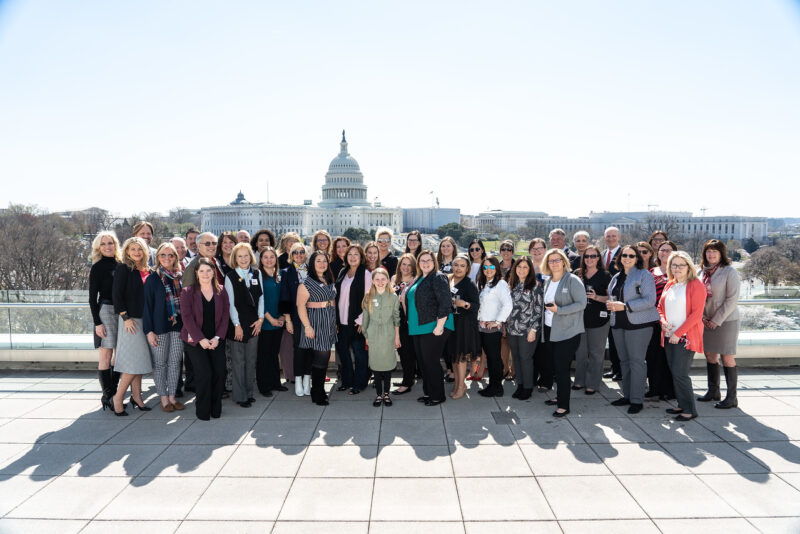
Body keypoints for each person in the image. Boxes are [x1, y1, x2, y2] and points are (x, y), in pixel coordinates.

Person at [606, 245, 660, 414]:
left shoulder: (644, 275)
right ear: (620, 258)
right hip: (619, 323)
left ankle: (637, 400)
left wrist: (626, 306)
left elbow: (650, 300)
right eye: (624, 255)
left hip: (639, 324)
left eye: (631, 255)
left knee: (636, 361)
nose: (627, 258)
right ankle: (627, 395)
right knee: (624, 361)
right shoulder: (616, 277)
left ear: (637, 258)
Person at [658, 251, 707, 421]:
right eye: (674, 265)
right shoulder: (670, 284)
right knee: (674, 372)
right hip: (669, 335)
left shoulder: (695, 285)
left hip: (685, 337)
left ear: (689, 267)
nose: (677, 268)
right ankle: (681, 404)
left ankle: (690, 409)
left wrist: (679, 333)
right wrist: (663, 322)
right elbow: (660, 308)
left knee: (680, 373)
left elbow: (696, 314)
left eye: (681, 265)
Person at [180, 258, 230, 420]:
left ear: (213, 272)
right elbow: (187, 318)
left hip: (216, 339)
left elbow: (225, 316)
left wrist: (217, 337)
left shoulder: (221, 290)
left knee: (219, 373)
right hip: (195, 341)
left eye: (209, 270)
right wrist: (200, 339)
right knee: (204, 374)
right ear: (196, 273)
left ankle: (216, 410)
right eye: (201, 271)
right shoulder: (187, 291)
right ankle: (203, 411)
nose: (205, 274)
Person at [539, 249, 586, 417]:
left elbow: (582, 303)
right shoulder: (547, 281)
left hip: (568, 332)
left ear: (564, 261)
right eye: (551, 260)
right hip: (550, 329)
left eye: (557, 260)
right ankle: (559, 396)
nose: (554, 263)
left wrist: (560, 310)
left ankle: (564, 405)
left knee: (562, 368)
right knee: (554, 366)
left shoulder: (572, 280)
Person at [111, 237, 153, 416]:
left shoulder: (146, 270)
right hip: (130, 321)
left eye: (140, 249)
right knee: (131, 364)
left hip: (144, 319)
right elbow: (117, 296)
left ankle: (137, 397)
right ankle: (118, 398)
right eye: (133, 249)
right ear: (127, 251)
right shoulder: (123, 269)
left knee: (139, 362)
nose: (136, 252)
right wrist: (125, 317)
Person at [697, 239, 741, 409]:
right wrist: (702, 317)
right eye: (708, 251)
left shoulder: (729, 271)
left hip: (726, 320)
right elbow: (696, 296)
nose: (711, 254)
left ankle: (732, 398)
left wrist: (716, 320)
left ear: (721, 253)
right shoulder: (700, 272)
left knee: (726, 356)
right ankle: (713, 391)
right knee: (710, 355)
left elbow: (732, 300)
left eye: (715, 251)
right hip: (705, 320)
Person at [407, 250, 454, 406]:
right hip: (418, 326)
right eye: (422, 260)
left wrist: (440, 326)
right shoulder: (420, 278)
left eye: (429, 260)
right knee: (423, 362)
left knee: (431, 361)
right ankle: (429, 393)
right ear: (418, 263)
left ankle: (438, 396)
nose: (425, 263)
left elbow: (446, 302)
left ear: (434, 262)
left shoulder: (438, 277)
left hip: (434, 326)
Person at [143, 243, 186, 412]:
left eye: (171, 255)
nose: (167, 258)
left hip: (178, 327)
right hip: (158, 327)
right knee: (160, 364)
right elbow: (146, 307)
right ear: (158, 258)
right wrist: (149, 331)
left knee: (175, 363)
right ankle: (163, 399)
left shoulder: (179, 277)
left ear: (175, 257)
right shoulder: (152, 279)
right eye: (163, 255)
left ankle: (172, 397)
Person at [224, 243, 265, 408]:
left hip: (254, 323)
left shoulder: (257, 273)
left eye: (246, 255)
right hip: (238, 324)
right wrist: (236, 325)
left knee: (250, 360)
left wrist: (261, 319)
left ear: (251, 257)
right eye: (239, 256)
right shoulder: (230, 276)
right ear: (235, 258)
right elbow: (230, 304)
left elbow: (261, 298)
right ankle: (240, 396)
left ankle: (249, 392)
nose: (243, 259)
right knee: (238, 361)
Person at [297, 251, 338, 406]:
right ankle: (317, 392)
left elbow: (332, 301)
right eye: (318, 261)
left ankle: (319, 390)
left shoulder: (328, 279)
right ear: (312, 264)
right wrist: (307, 326)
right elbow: (300, 306)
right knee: (321, 358)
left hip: (328, 323)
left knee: (324, 358)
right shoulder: (306, 283)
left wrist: (334, 323)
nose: (322, 264)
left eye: (325, 261)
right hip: (315, 323)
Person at [89, 231, 122, 411]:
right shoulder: (97, 267)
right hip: (106, 311)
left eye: (110, 243)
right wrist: (97, 323)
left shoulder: (121, 264)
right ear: (98, 248)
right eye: (103, 244)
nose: (107, 246)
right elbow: (92, 298)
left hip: (122, 313)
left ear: (116, 245)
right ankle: (107, 395)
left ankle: (115, 393)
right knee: (106, 355)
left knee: (119, 356)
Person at [573, 245, 611, 395]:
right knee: (580, 352)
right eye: (587, 256)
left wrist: (596, 297)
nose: (590, 259)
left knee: (596, 353)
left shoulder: (605, 275)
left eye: (593, 256)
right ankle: (580, 381)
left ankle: (593, 383)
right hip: (580, 319)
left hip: (599, 320)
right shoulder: (577, 274)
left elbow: (611, 298)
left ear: (598, 258)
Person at [334, 244, 372, 395]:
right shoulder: (343, 272)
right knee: (343, 353)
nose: (353, 257)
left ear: (361, 257)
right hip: (341, 321)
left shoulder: (366, 274)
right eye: (350, 254)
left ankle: (360, 383)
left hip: (357, 321)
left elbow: (369, 299)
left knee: (359, 354)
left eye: (356, 254)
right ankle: (347, 381)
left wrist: (362, 320)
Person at [361, 268, 401, 407]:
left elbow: (396, 318)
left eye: (383, 279)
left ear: (388, 280)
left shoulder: (393, 297)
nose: (380, 282)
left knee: (388, 366)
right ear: (372, 281)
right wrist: (366, 335)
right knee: (376, 367)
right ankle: (379, 394)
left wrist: (397, 337)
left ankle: (386, 394)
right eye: (377, 279)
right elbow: (365, 318)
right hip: (373, 334)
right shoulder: (368, 297)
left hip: (388, 333)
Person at [645, 240, 679, 400]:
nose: (664, 253)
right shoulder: (652, 271)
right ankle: (654, 388)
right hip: (653, 318)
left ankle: (669, 390)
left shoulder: (677, 271)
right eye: (662, 250)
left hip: (671, 320)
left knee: (669, 356)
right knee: (653, 355)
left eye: (668, 250)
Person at [505, 256, 542, 400]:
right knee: (516, 358)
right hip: (512, 329)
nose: (521, 270)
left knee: (525, 358)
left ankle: (527, 387)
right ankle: (519, 385)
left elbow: (539, 311)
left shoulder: (535, 287)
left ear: (530, 270)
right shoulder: (511, 285)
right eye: (519, 267)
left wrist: (533, 329)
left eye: (525, 267)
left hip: (528, 330)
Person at [476, 255, 513, 397]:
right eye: (485, 267)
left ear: (497, 268)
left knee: (494, 358)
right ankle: (493, 385)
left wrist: (498, 322)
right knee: (491, 358)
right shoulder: (485, 283)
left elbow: (508, 305)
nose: (488, 269)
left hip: (492, 328)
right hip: (482, 327)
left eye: (491, 266)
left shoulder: (500, 284)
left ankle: (496, 387)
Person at [446, 255, 481, 399]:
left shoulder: (469, 283)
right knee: (453, 357)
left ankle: (461, 386)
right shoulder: (448, 280)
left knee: (460, 357)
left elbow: (476, 305)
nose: (458, 268)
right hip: (450, 323)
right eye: (456, 265)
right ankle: (457, 384)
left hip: (464, 325)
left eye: (462, 266)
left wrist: (464, 304)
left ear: (467, 269)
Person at [256, 246, 287, 396]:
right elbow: (258, 301)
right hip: (265, 321)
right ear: (261, 260)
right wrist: (271, 319)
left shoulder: (280, 274)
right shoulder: (258, 276)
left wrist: (281, 317)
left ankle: (276, 382)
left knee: (274, 353)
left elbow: (284, 297)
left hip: (279, 320)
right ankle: (264, 386)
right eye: (265, 257)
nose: (269, 260)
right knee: (264, 354)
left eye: (272, 257)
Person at [280, 241, 310, 396]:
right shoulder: (286, 272)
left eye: (302, 252)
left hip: (313, 316)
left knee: (310, 348)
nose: (299, 255)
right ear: (291, 255)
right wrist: (288, 320)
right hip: (296, 317)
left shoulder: (312, 270)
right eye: (295, 252)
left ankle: (307, 379)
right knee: (299, 348)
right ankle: (298, 379)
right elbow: (284, 298)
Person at [391, 253, 419, 395]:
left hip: (410, 320)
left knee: (408, 352)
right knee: (401, 351)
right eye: (403, 264)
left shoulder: (416, 281)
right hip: (396, 321)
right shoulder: (394, 280)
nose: (406, 267)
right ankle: (408, 378)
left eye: (409, 265)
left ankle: (407, 383)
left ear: (414, 267)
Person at [602, 226, 622, 381]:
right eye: (608, 236)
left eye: (613, 236)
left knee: (618, 338)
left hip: (618, 301)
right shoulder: (602, 254)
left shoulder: (624, 254)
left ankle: (620, 370)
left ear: (619, 237)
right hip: (604, 302)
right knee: (611, 336)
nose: (611, 238)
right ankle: (614, 367)